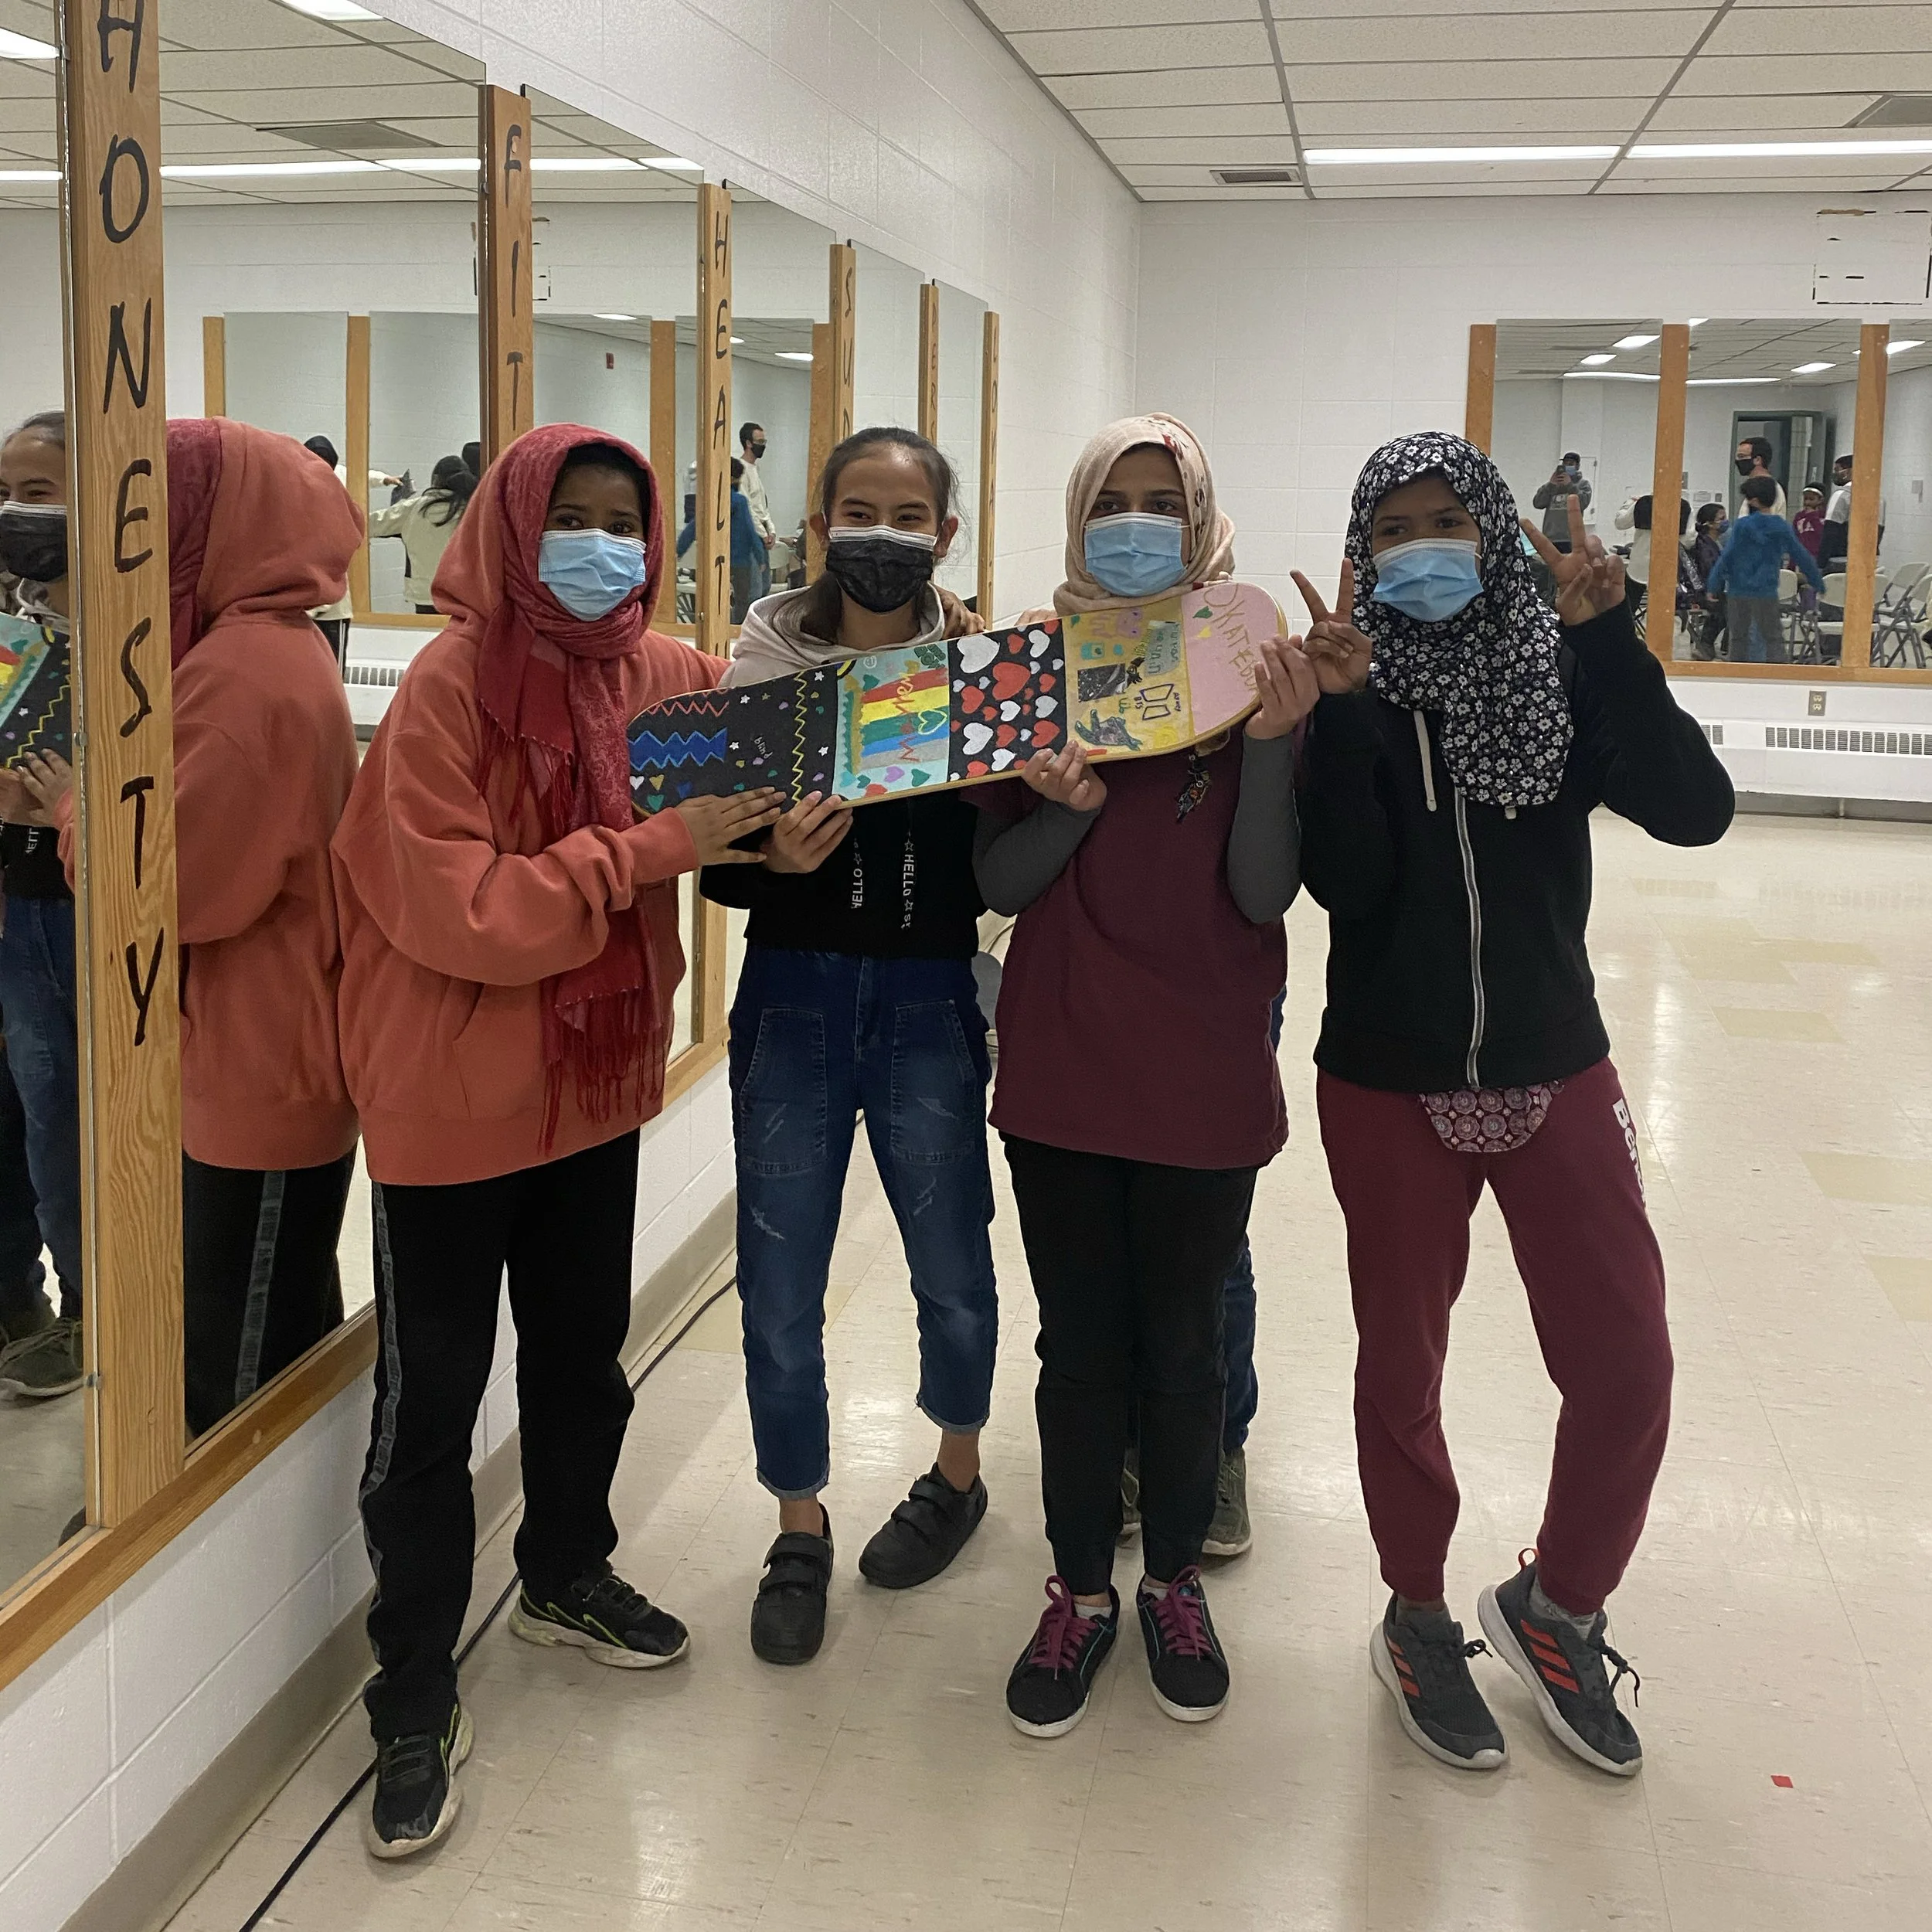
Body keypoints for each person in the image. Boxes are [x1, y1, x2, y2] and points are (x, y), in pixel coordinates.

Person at [332, 423, 781, 1858]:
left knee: (583, 1359)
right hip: (449, 1106)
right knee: (431, 1408)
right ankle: (409, 1687)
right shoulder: (446, 692)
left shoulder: (661, 673)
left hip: (591, 1095)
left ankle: (565, 1569)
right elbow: (467, 910)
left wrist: (783, 833)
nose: (604, 549)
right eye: (572, 519)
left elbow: (773, 751)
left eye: (625, 522)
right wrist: (661, 849)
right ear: (511, 531)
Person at [1295, 432, 1733, 1779]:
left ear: (1491, 532)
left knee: (1627, 1361)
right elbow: (1347, 890)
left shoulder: (1551, 680)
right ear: (1364, 554)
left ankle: (1560, 1606)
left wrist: (1606, 641)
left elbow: (1697, 810)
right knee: (1401, 1366)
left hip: (1557, 1060)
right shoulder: (1349, 699)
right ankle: (1417, 1610)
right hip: (1387, 1075)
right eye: (1393, 531)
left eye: (1447, 523)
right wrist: (1348, 718)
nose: (1421, 550)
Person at [978, 414, 1311, 1739]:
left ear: (1201, 515)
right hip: (1063, 1057)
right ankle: (1078, 1590)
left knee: (1181, 1343)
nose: (1134, 524)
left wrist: (1278, 743)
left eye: (1159, 501)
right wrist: (1067, 809)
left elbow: (1262, 889)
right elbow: (994, 886)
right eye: (1110, 500)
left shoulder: (1252, 673)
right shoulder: (1031, 671)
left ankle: (1172, 1579)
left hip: (1204, 1067)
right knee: (1079, 1345)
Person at [699, 426, 996, 1667]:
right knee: (777, 1279)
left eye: (909, 512)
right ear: (818, 525)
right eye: (858, 510)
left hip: (932, 996)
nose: (883, 533)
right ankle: (798, 1519)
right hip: (794, 998)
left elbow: (1005, 857)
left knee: (951, 1259)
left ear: (946, 533)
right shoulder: (755, 670)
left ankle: (958, 1471)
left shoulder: (985, 670)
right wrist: (775, 863)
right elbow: (714, 867)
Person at [23, 420, 366, 1436]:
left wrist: (78, 810)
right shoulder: (256, 651)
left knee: (236, 1383)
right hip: (255, 1053)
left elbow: (176, 891)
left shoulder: (242, 680)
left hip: (254, 1072)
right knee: (276, 1323)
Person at [0, 411, 83, 1400]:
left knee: (57, 1107)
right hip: (11, 889)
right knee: (14, 1110)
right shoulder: (13, 627)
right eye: (8, 492)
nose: (17, 513)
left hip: (59, 897)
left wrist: (65, 799)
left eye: (37, 491)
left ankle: (89, 1307)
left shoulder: (131, 637)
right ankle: (14, 1297)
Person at [300, 435, 399, 668]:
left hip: (333, 609)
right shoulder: (295, 487)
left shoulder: (338, 480)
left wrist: (385, 480)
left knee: (334, 673)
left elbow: (362, 477)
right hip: (301, 606)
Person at [1706, 474, 1824, 664]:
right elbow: (1801, 554)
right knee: (1770, 637)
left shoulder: (1743, 526)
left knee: (1739, 638)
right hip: (1766, 590)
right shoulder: (1781, 527)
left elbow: (1727, 556)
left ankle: (1740, 677)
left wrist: (1713, 584)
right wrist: (1818, 582)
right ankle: (1769, 677)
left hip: (1739, 590)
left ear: (1754, 500)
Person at [366, 455, 478, 613]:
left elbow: (368, 525)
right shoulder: (474, 509)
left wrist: (398, 504)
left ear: (436, 479)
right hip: (464, 598)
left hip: (425, 596)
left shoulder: (413, 508)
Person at [675, 457, 767, 621]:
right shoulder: (740, 502)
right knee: (742, 601)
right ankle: (735, 630)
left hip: (715, 561)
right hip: (740, 562)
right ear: (732, 478)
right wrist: (760, 555)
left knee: (714, 600)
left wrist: (679, 550)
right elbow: (750, 530)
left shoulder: (710, 502)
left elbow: (693, 528)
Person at [739, 421, 778, 599]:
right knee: (754, 590)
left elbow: (762, 505)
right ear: (748, 443)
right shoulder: (740, 470)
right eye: (760, 442)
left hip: (762, 534)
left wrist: (771, 530)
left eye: (764, 442)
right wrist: (763, 534)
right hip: (750, 537)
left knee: (764, 586)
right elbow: (747, 507)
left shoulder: (755, 469)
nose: (763, 446)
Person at [1690, 502, 1729, 659]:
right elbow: (1709, 571)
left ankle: (1717, 645)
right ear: (1711, 523)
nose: (1726, 522)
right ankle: (1706, 644)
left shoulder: (1715, 543)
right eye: (1722, 518)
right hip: (1704, 591)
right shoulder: (1704, 545)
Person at [1532, 454, 1590, 549]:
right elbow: (1537, 503)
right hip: (1550, 538)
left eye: (1570, 464)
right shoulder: (1551, 485)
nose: (1567, 467)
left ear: (1577, 466)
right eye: (1565, 464)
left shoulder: (1583, 485)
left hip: (1571, 538)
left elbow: (1583, 503)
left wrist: (1570, 485)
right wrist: (1551, 485)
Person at [1733, 436, 1786, 519]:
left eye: (1742, 457)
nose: (1738, 461)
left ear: (1757, 460)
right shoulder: (1752, 488)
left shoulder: (1770, 489)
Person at [1793, 485, 1825, 560]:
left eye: (1811, 499)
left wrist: (1813, 516)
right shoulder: (1799, 516)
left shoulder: (1824, 516)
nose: (1807, 502)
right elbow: (1795, 537)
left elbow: (1822, 535)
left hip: (1816, 558)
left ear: (1820, 500)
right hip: (1800, 557)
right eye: (1805, 499)